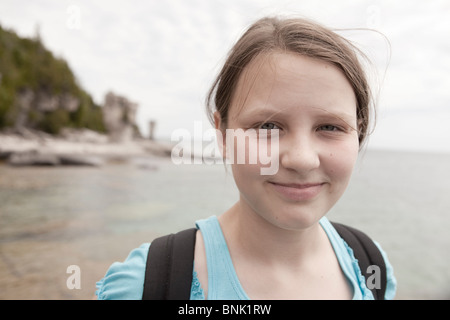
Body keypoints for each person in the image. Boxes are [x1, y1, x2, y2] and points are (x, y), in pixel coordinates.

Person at [96, 15, 396, 300]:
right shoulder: (147, 284)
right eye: (267, 126)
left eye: (330, 127)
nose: (302, 159)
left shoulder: (372, 266)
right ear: (223, 135)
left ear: (358, 134)